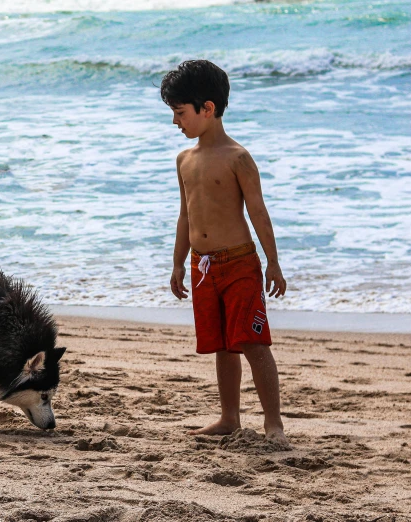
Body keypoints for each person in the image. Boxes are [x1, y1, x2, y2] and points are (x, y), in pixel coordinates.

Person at [161, 60, 288, 445]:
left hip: (239, 263)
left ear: (208, 108)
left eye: (180, 113)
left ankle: (273, 423)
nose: (175, 123)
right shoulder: (184, 160)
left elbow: (259, 213)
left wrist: (273, 263)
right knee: (221, 344)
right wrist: (178, 262)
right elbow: (185, 214)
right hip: (202, 267)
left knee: (252, 342)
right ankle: (229, 417)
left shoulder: (238, 158)